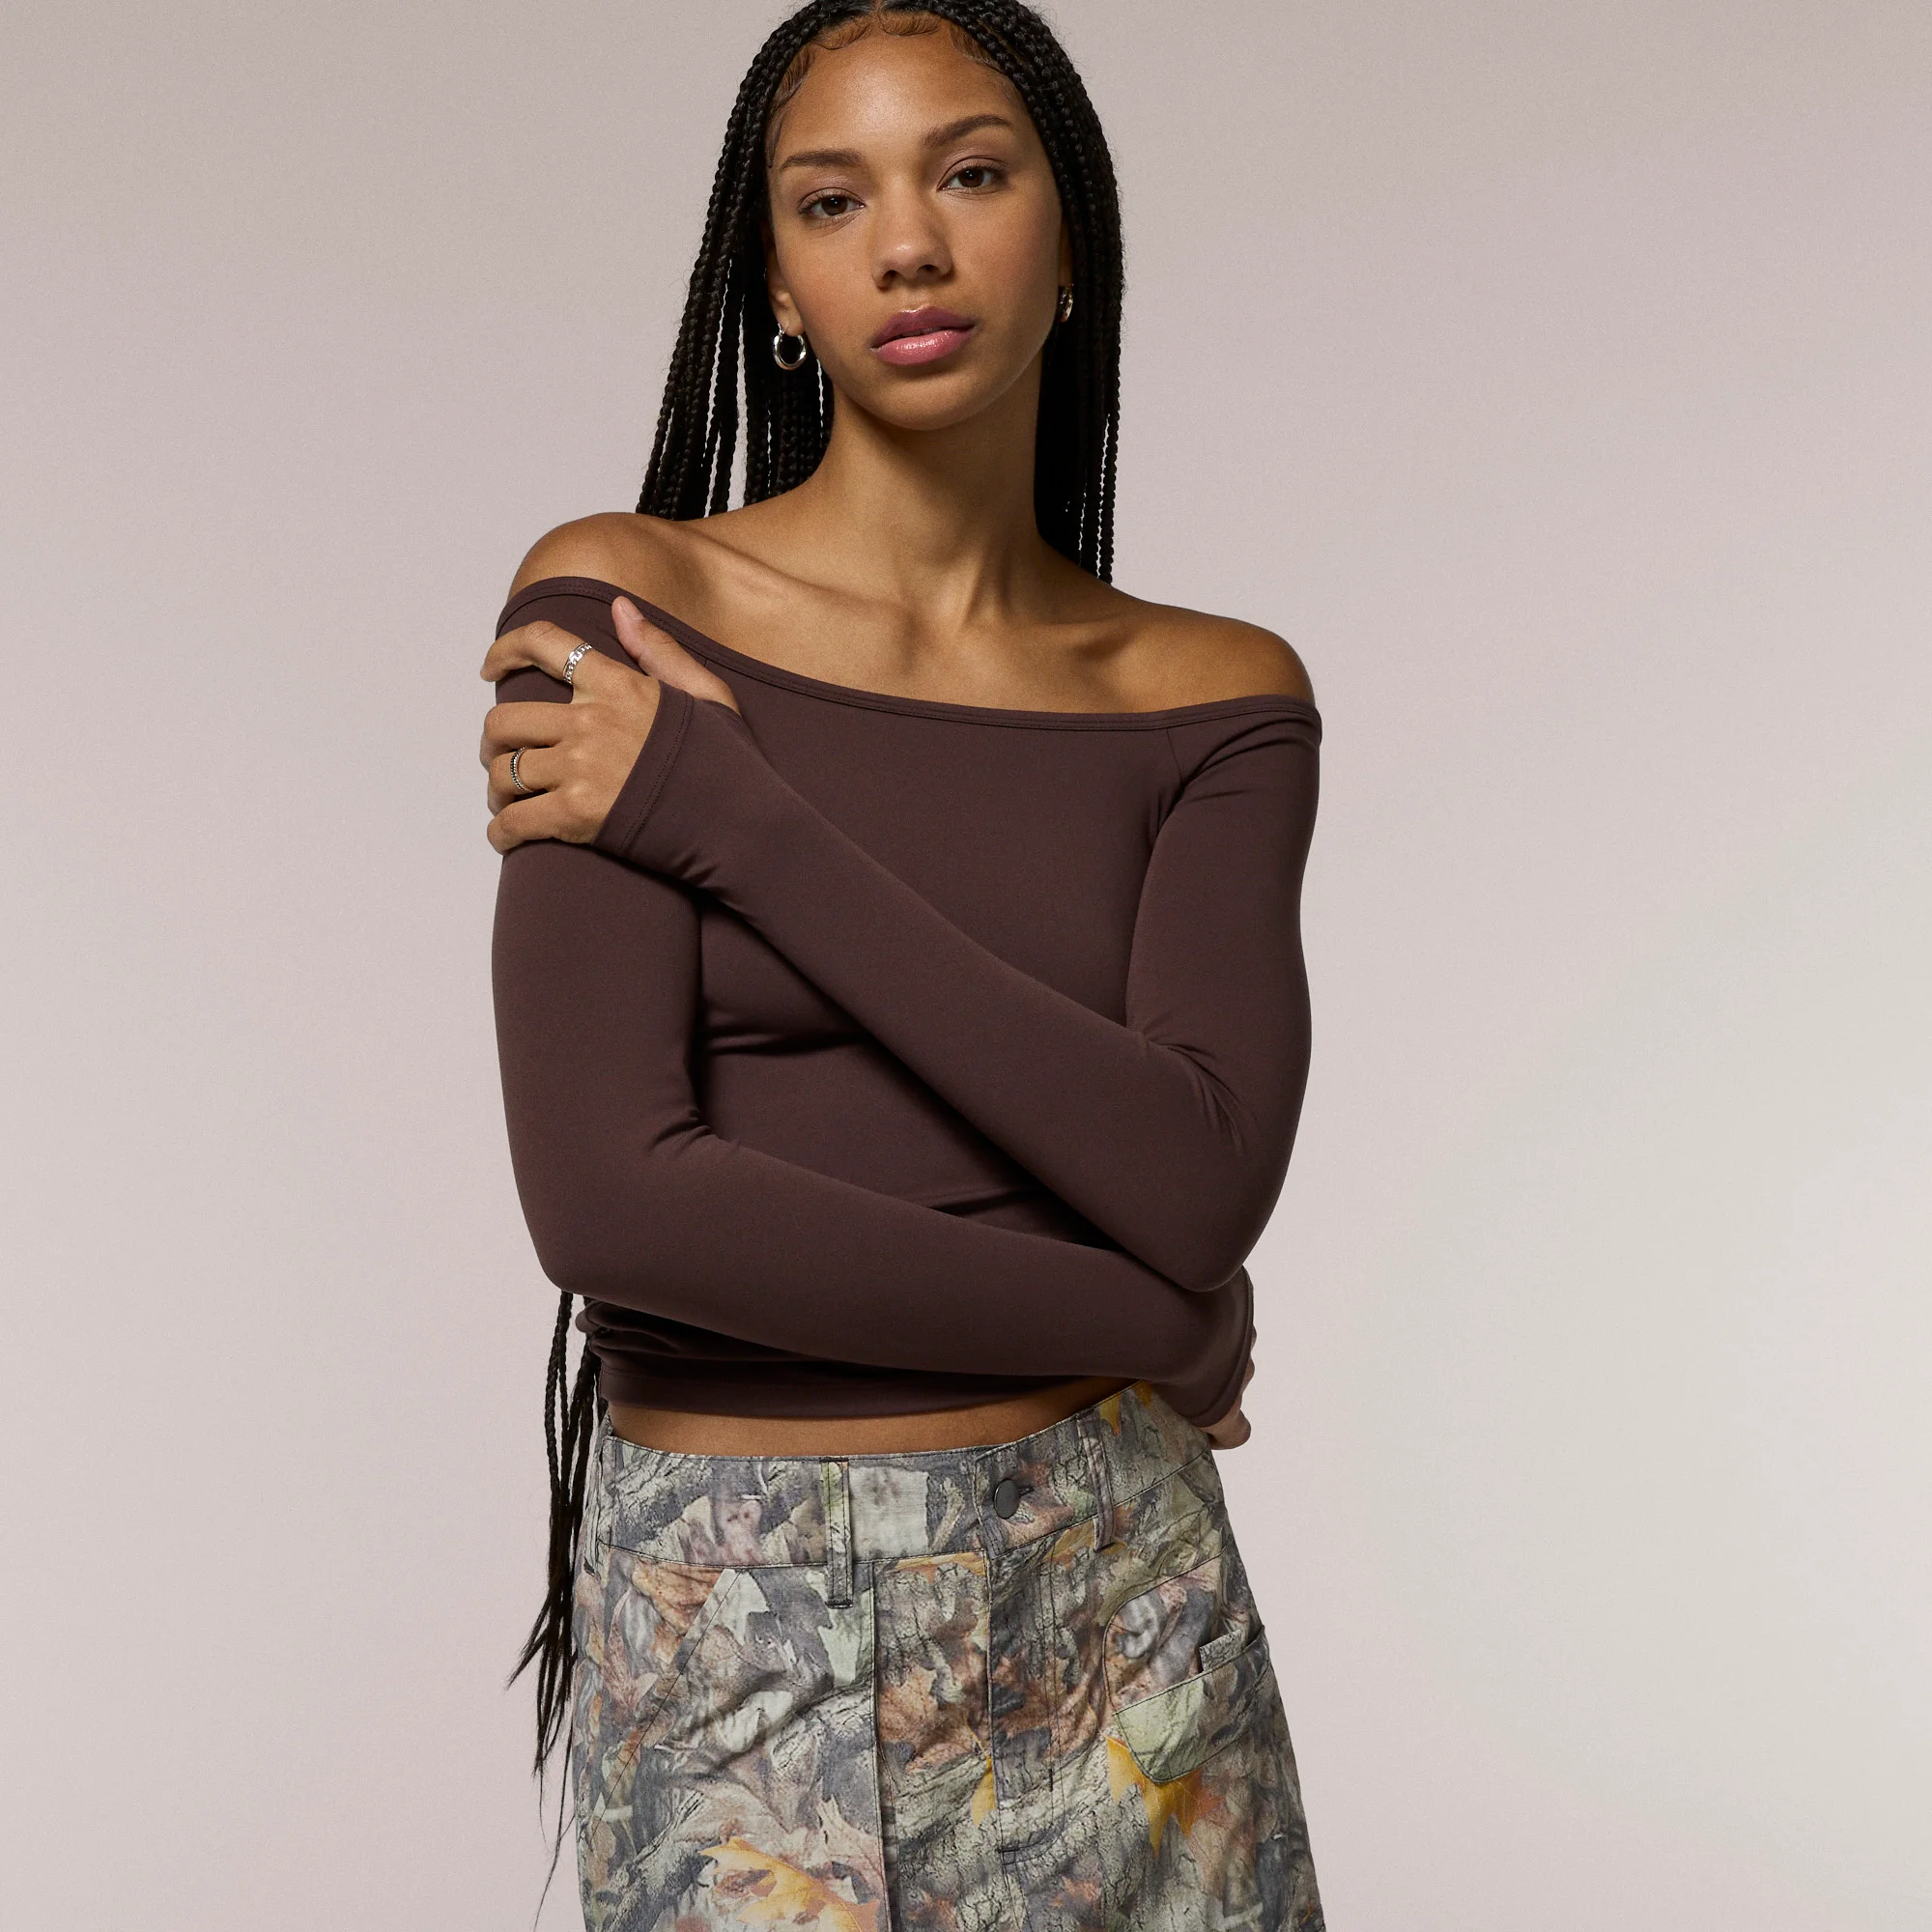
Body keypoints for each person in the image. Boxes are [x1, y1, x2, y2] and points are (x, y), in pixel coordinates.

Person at [477, 4, 1325, 1926]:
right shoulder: (627, 615)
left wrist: (732, 819)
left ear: (1068, 232)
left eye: (971, 173)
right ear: (778, 284)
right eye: (832, 199)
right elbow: (615, 1204)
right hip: (737, 1635)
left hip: (1123, 1610)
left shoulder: (1211, 698)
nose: (910, 246)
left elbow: (1196, 1176)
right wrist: (1151, 1326)